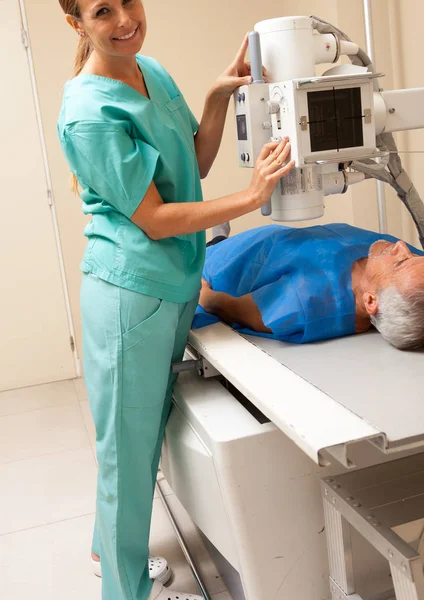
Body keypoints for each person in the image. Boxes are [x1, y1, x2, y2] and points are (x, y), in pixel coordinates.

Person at [57, 1, 295, 599]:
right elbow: (157, 218)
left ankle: (101, 542)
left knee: (140, 434)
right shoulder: (88, 112)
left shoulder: (150, 70)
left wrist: (217, 97)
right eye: (101, 11)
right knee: (125, 453)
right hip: (129, 296)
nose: (124, 20)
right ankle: (125, 590)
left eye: (128, 1)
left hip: (171, 284)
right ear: (77, 24)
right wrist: (252, 196)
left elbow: (194, 160)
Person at [195, 223, 424, 350]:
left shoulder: (305, 304)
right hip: (263, 242)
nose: (402, 246)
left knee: (204, 248)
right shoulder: (410, 278)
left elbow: (223, 306)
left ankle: (217, 240)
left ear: (371, 301)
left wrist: (202, 293)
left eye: (401, 261)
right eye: (412, 255)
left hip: (222, 264)